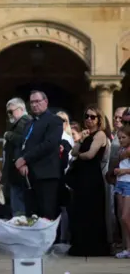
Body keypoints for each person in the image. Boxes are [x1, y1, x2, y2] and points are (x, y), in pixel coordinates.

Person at [68, 106, 110, 256]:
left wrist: (79, 154)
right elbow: (73, 151)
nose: (88, 120)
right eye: (86, 116)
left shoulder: (100, 135)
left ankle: (94, 247)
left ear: (99, 119)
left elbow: (90, 155)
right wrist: (80, 140)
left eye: (93, 117)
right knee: (80, 210)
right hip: (81, 177)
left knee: (92, 210)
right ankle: (80, 245)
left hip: (92, 177)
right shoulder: (86, 134)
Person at [15, 91, 63, 219]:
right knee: (31, 214)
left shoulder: (54, 120)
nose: (34, 105)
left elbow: (49, 144)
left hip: (46, 174)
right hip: (28, 175)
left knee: (47, 213)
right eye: (32, 102)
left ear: (45, 102)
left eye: (37, 101)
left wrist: (25, 159)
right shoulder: (29, 123)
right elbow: (21, 144)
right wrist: (19, 162)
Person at [3, 98, 32, 216]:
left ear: (20, 109)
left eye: (11, 111)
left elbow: (23, 141)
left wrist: (8, 135)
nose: (9, 115)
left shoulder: (25, 120)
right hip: (16, 173)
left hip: (19, 172)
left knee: (19, 211)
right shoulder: (20, 122)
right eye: (8, 112)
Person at [113, 125, 130, 258]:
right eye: (119, 138)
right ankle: (126, 248)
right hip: (120, 183)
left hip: (129, 183)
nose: (121, 140)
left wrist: (123, 171)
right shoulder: (121, 149)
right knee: (121, 218)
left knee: (126, 217)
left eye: (124, 137)